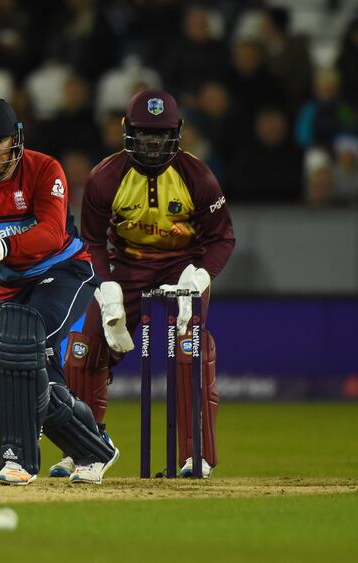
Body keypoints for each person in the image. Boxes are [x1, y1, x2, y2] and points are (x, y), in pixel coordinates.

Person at [0, 98, 118, 485]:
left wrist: (1, 246)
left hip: (63, 271)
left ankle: (18, 461)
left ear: (16, 140)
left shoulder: (44, 168)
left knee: (22, 346)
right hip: (12, 289)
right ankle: (94, 448)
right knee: (37, 372)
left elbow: (50, 232)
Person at [57, 89, 235, 479]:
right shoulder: (106, 176)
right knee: (84, 347)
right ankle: (84, 448)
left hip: (182, 268)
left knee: (191, 348)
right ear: (126, 131)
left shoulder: (197, 175)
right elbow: (90, 241)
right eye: (143, 133)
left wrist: (201, 275)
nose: (152, 143)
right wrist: (105, 287)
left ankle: (196, 455)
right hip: (126, 268)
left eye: (161, 134)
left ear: (178, 133)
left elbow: (222, 238)